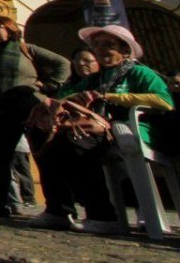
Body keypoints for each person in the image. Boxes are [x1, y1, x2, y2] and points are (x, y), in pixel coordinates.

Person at [31, 25, 174, 233]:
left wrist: (111, 97)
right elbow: (65, 98)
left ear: (125, 50)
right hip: (98, 131)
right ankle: (58, 211)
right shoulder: (96, 79)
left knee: (78, 143)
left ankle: (102, 216)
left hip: (131, 130)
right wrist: (68, 100)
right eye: (97, 45)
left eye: (109, 45)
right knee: (49, 145)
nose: (101, 49)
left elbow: (164, 101)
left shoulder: (139, 73)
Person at [0, 16, 69, 218]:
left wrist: (48, 85)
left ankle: (58, 206)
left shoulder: (25, 49)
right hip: (3, 109)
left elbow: (62, 63)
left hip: (31, 106)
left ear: (10, 28)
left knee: (43, 153)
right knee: (0, 158)